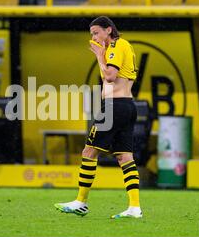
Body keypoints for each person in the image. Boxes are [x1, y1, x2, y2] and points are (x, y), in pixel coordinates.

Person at [55, 16, 142, 219]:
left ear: (108, 30)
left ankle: (81, 202)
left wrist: (99, 55)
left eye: (96, 32)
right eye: (91, 33)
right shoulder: (123, 46)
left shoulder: (115, 46)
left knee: (88, 152)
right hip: (127, 106)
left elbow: (110, 77)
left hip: (114, 107)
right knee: (124, 157)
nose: (93, 37)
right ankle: (134, 207)